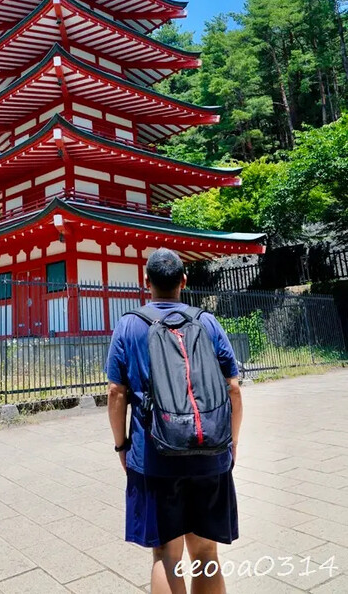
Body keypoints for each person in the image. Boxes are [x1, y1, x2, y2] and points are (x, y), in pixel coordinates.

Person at [106, 248, 242, 594]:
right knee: (207, 552)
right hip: (210, 451)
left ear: (146, 281)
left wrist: (122, 445)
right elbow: (233, 389)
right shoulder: (207, 321)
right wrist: (232, 443)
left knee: (165, 554)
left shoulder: (129, 324)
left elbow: (116, 394)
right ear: (184, 280)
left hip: (154, 455)